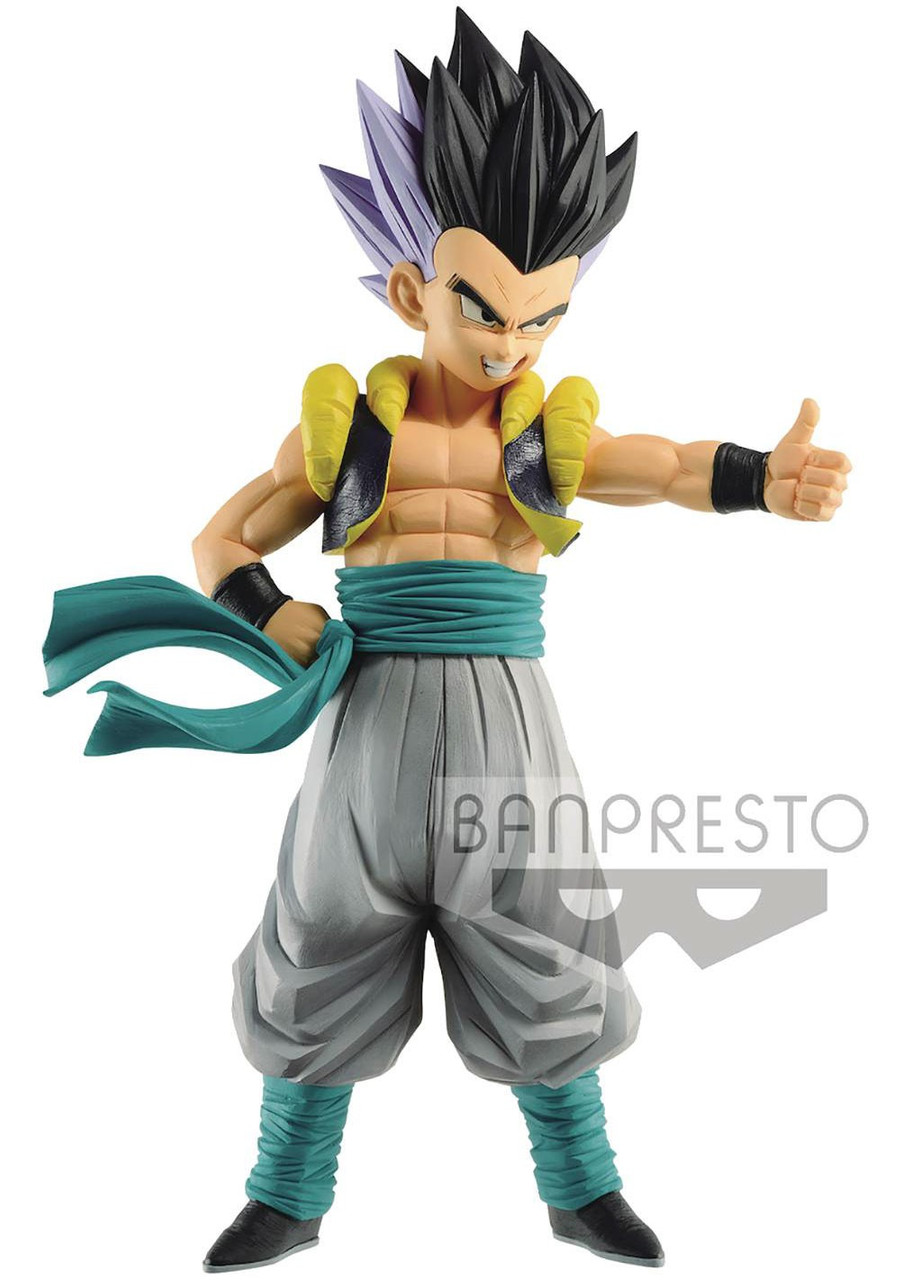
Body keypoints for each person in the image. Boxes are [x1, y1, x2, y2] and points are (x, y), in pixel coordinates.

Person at [44, 9, 851, 1272]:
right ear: (415, 287)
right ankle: (286, 1190)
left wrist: (759, 477)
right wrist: (273, 612)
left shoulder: (542, 434)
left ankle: (581, 1184)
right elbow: (220, 538)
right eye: (486, 307)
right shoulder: (349, 432)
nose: (511, 343)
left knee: (546, 937)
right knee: (322, 934)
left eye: (543, 318)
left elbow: (662, 466)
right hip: (364, 715)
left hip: (507, 721)